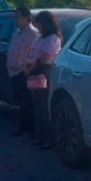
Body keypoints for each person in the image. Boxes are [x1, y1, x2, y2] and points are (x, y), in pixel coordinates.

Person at [25, 10, 63, 149]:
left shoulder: (53, 39)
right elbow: (32, 54)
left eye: (40, 24)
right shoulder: (39, 38)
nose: (38, 27)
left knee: (44, 107)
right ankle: (39, 136)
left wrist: (30, 68)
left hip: (44, 71)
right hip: (34, 71)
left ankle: (49, 139)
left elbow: (43, 58)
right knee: (37, 107)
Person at [6, 6, 39, 139]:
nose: (15, 20)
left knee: (28, 103)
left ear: (26, 18)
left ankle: (31, 131)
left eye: (18, 17)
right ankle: (23, 128)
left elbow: (33, 54)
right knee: (21, 103)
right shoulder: (17, 33)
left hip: (24, 72)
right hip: (13, 72)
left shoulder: (33, 34)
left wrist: (27, 69)